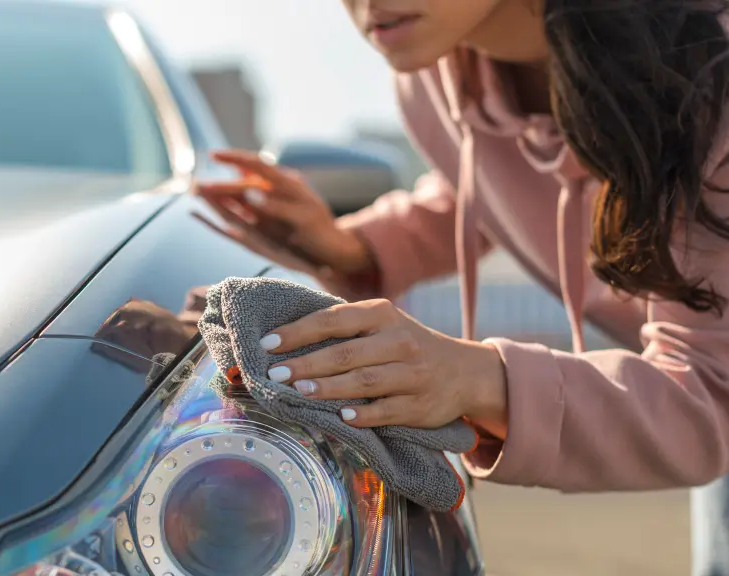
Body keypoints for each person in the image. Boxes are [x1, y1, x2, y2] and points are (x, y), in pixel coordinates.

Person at [195, 1, 729, 574]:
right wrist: (355, 249)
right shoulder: (434, 75)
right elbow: (486, 184)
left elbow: (709, 389)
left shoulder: (708, 77)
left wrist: (472, 376)